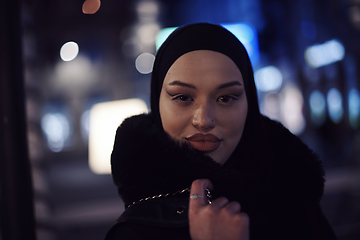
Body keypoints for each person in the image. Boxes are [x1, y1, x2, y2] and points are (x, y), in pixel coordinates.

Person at [105, 23, 336, 240]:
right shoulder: (135, 230)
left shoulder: (295, 195)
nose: (204, 120)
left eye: (226, 98)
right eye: (183, 97)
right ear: (157, 103)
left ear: (250, 104)